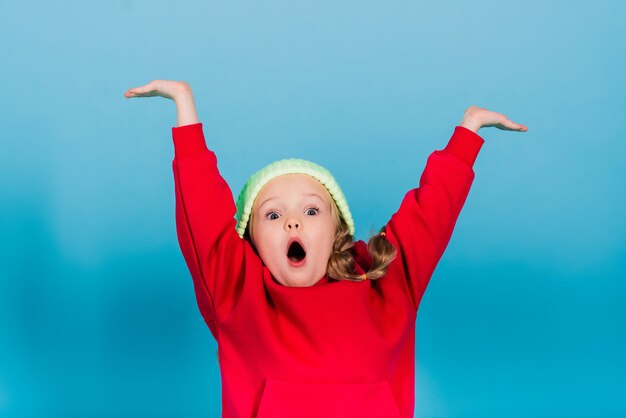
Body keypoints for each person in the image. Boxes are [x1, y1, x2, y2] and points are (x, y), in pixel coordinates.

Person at [124, 80, 528, 418]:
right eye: (272, 215)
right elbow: (204, 219)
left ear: (338, 229)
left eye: (312, 210)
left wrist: (467, 132)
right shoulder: (238, 294)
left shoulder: (383, 280)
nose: (292, 222)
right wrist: (185, 107)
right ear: (251, 242)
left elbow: (430, 216)